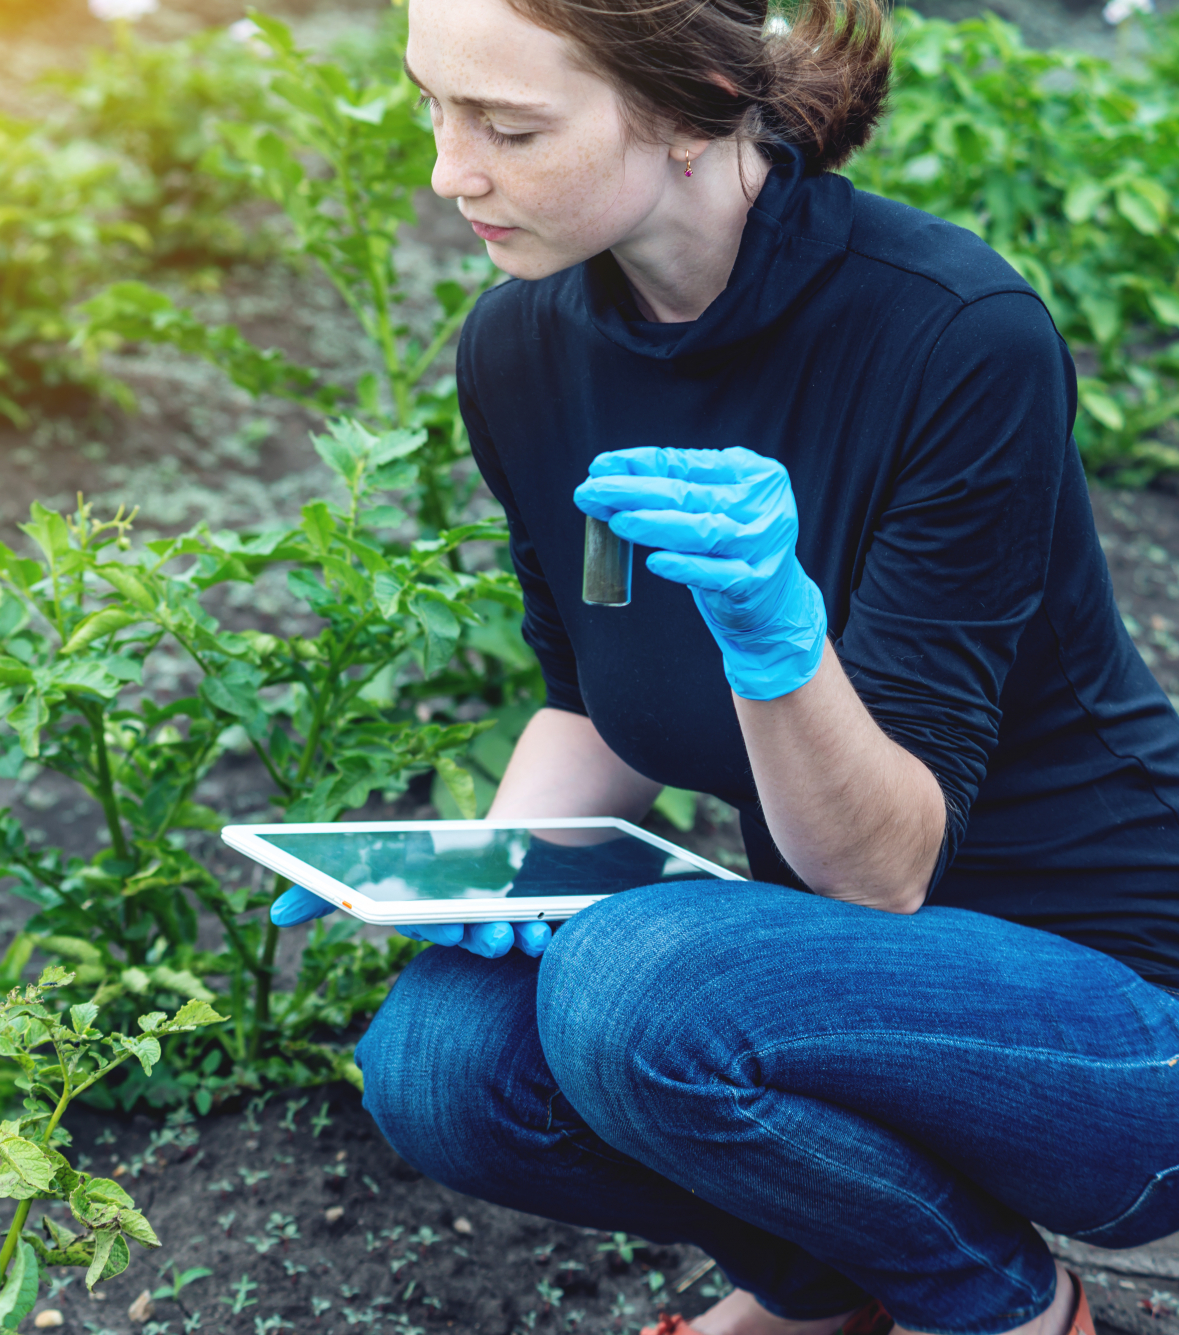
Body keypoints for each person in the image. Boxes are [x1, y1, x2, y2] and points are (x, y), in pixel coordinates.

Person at [267, 0, 1179, 1333]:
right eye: (436, 107)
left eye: (509, 126)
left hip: (1113, 1020)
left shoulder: (952, 334)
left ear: (694, 105)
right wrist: (468, 878)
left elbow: (881, 873)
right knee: (442, 1058)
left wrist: (776, 636)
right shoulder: (522, 349)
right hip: (823, 994)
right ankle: (835, 1293)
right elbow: (597, 708)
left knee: (635, 987)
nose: (448, 173)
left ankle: (1010, 1315)